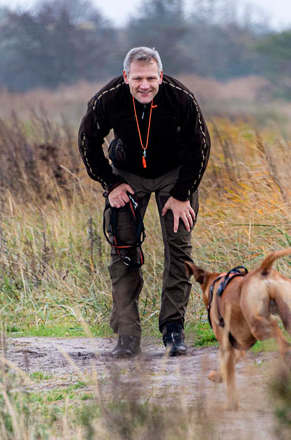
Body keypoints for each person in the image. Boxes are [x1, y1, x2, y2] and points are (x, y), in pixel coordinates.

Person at [78, 47, 210, 358]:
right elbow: (87, 141)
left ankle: (173, 328)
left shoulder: (181, 98)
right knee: (123, 248)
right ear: (126, 77)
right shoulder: (107, 99)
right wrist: (110, 184)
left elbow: (199, 147)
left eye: (151, 78)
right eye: (137, 78)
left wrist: (181, 195)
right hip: (127, 174)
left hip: (175, 174)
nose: (144, 85)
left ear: (160, 77)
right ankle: (127, 335)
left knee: (178, 247)